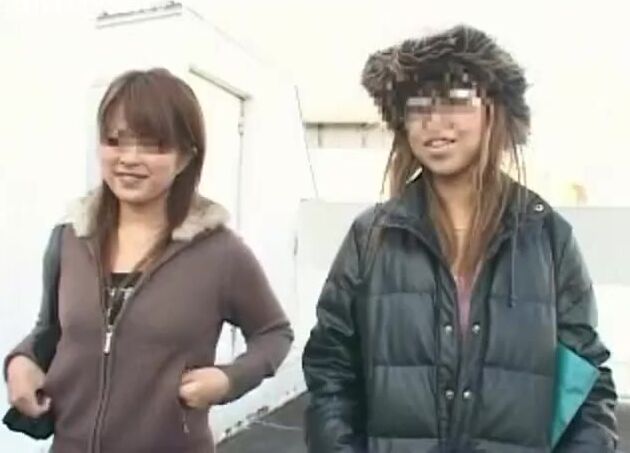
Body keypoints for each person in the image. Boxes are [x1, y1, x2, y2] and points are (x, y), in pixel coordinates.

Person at [302, 25, 618, 452]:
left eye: (454, 100)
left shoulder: (547, 238)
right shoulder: (371, 238)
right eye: (417, 106)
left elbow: (587, 381)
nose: (434, 122)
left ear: (493, 111)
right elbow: (330, 370)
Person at [5, 68, 293, 453]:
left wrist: (229, 379)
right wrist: (20, 361)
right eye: (115, 141)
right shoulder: (69, 239)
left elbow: (274, 333)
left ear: (186, 156)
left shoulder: (220, 253)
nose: (129, 159)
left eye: (153, 145)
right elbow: (50, 331)